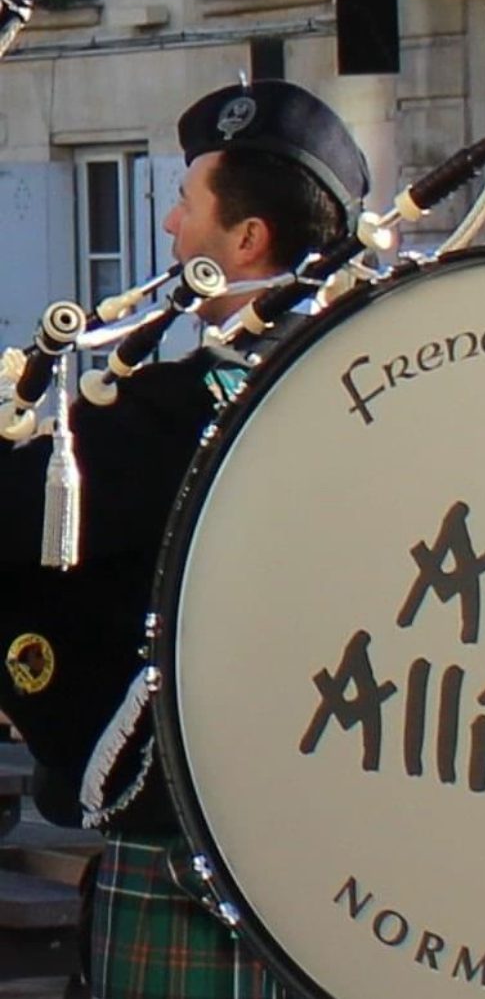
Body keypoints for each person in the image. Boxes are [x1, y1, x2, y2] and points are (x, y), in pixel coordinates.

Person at [0, 79, 369, 999]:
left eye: (187, 202)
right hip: (344, 856)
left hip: (187, 841)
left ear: (249, 241)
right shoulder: (369, 395)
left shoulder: (182, 413)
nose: (168, 227)